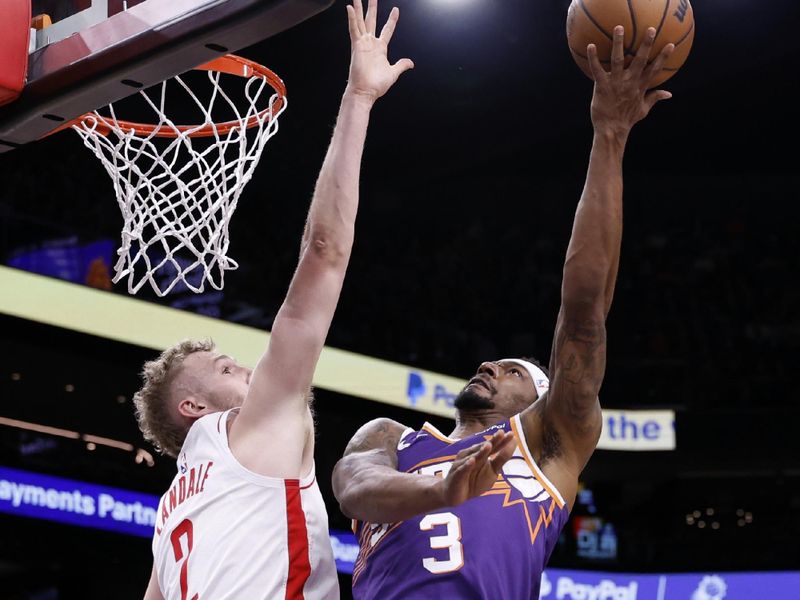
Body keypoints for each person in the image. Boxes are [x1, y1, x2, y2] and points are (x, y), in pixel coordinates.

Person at [332, 26, 676, 599]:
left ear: (540, 401)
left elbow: (584, 312)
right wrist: (442, 492)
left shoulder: (548, 445)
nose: (490, 365)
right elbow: (354, 485)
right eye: (496, 363)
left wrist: (610, 135)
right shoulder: (390, 436)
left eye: (514, 370)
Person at [135, 1, 414, 598]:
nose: (248, 367)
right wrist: (358, 100)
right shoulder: (248, 429)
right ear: (192, 407)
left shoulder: (169, 518)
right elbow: (323, 253)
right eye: (227, 368)